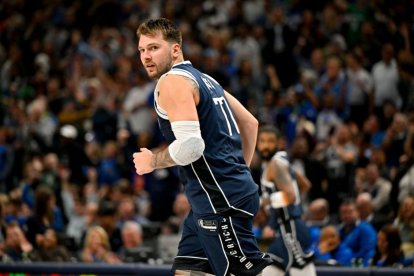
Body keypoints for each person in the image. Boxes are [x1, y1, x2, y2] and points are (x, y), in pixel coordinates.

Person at [133, 18, 272, 276]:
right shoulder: (206, 79)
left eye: (153, 48)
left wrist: (152, 161)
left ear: (175, 49)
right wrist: (239, 172)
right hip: (213, 199)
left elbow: (191, 146)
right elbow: (250, 123)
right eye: (141, 50)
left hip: (219, 202)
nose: (146, 56)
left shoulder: (172, 82)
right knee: (188, 272)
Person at [257, 127, 316, 276]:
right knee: (273, 269)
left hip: (290, 228)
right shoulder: (283, 162)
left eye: (270, 141)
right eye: (262, 141)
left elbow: (290, 196)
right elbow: (305, 185)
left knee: (295, 269)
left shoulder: (275, 165)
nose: (265, 145)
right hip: (286, 227)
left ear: (279, 143)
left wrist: (263, 202)